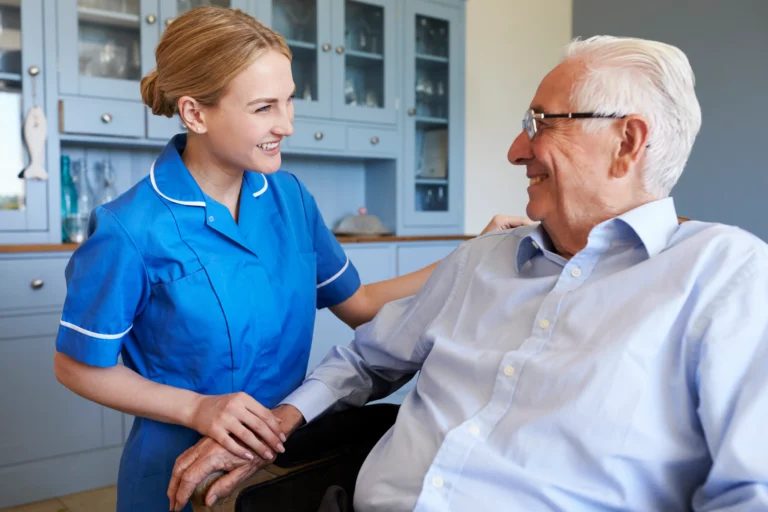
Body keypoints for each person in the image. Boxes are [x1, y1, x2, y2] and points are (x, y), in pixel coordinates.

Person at [169, 35, 768, 512]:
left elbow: (751, 489)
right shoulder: (483, 258)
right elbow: (363, 358)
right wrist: (276, 424)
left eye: (540, 124)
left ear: (626, 142)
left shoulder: (723, 274)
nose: (515, 149)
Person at [52, 7, 529, 512]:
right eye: (264, 108)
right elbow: (75, 366)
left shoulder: (290, 199)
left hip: (278, 458)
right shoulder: (130, 227)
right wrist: (197, 408)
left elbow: (361, 304)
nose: (287, 124)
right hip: (177, 471)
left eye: (289, 101)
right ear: (195, 113)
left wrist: (467, 254)